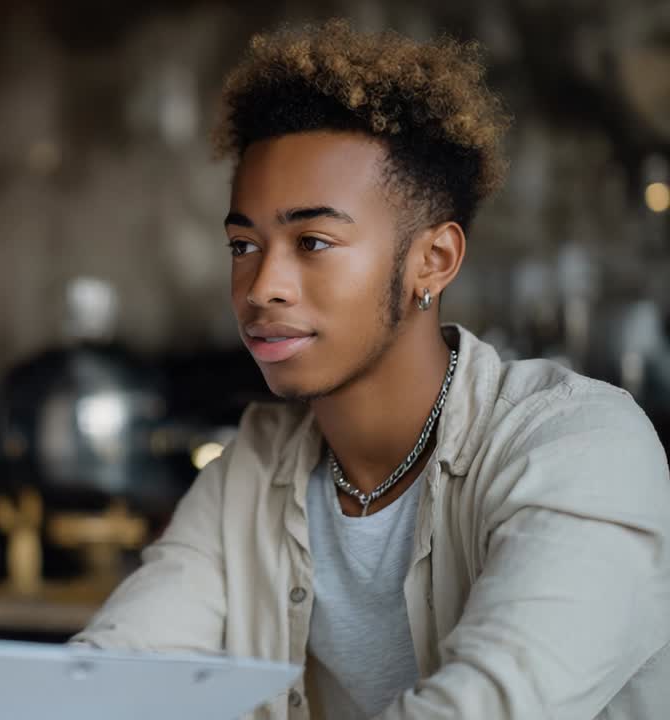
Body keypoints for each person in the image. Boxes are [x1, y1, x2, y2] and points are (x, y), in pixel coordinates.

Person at [75, 20, 670, 719]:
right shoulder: (253, 471)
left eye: (313, 241)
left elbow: (487, 708)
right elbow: (110, 680)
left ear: (433, 261)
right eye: (243, 245)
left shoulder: (579, 446)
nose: (262, 287)